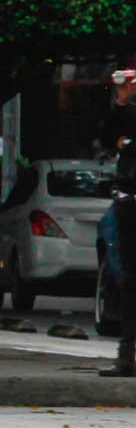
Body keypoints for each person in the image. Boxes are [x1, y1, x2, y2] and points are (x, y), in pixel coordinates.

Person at [96, 66, 136, 377]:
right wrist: (122, 101)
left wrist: (127, 144)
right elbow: (109, 137)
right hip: (127, 200)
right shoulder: (126, 112)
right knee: (127, 278)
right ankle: (127, 354)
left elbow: (124, 142)